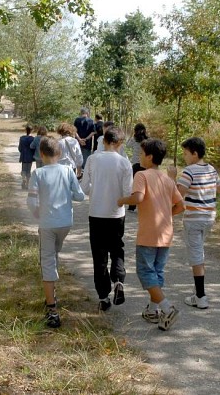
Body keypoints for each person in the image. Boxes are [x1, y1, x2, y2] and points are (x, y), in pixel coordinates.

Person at [118, 139, 184, 331]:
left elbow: (138, 198)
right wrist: (166, 214)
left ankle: (167, 308)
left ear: (149, 157)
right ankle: (153, 309)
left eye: (141, 154)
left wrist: (122, 200)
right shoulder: (167, 179)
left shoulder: (142, 175)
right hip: (165, 232)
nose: (139, 157)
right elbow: (181, 206)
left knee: (145, 272)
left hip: (149, 233)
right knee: (157, 271)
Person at [27, 136, 86, 328]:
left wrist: (36, 212)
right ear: (59, 153)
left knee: (47, 261)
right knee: (53, 255)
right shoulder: (68, 171)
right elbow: (79, 196)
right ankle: (51, 291)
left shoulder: (38, 174)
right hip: (64, 224)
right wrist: (67, 194)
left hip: (47, 223)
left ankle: (52, 308)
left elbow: (32, 201)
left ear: (41, 154)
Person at [168, 137, 220, 309]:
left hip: (194, 219)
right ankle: (197, 291)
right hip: (209, 218)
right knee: (199, 252)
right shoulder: (211, 169)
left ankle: (200, 297)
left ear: (194, 153)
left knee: (196, 256)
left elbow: (177, 195)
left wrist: (172, 178)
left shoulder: (189, 172)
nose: (185, 157)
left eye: (186, 154)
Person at [80, 127, 133, 312]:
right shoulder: (124, 163)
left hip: (96, 213)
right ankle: (118, 280)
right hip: (116, 214)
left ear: (103, 142)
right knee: (117, 249)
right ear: (119, 143)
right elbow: (128, 193)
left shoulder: (93, 159)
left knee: (99, 255)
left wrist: (96, 189)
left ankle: (103, 297)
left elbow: (85, 188)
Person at [125, 123, 148, 212]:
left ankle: (132, 206)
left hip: (135, 164)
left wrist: (131, 135)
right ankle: (144, 204)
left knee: (134, 185)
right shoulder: (148, 140)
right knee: (145, 185)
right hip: (145, 164)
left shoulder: (134, 139)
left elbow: (127, 145)